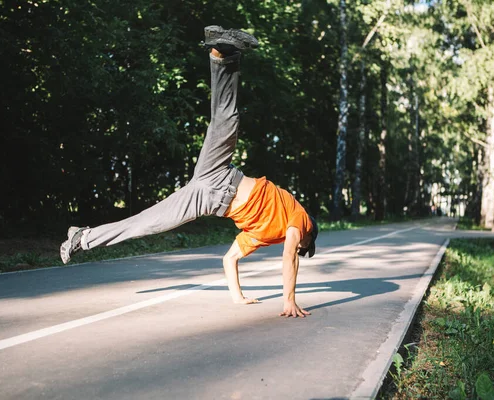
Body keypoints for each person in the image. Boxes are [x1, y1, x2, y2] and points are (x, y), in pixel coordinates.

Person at [60, 26, 318, 318]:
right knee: (227, 120)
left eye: (299, 247)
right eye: (303, 246)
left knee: (147, 223)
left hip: (205, 198)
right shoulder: (300, 218)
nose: (297, 246)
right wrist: (288, 299)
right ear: (310, 234)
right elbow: (289, 256)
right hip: (222, 175)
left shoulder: (268, 235)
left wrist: (238, 298)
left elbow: (230, 259)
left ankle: (82, 237)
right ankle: (221, 54)